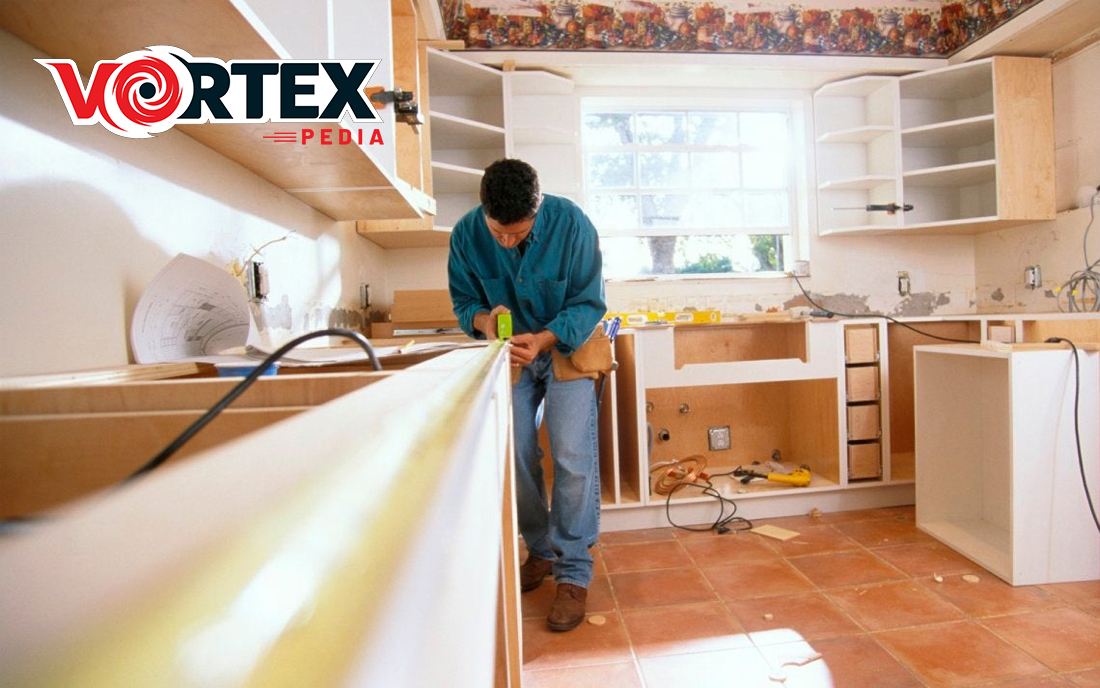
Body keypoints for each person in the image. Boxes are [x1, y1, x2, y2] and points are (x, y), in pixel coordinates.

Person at [448, 158, 606, 632]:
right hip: (508, 353)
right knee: (516, 453)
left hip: (565, 344)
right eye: (500, 233)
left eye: (518, 234)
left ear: (537, 211)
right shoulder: (465, 235)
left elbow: (588, 302)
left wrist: (544, 338)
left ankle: (574, 571)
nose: (508, 242)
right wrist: (483, 319)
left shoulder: (572, 223)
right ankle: (539, 551)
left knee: (572, 452)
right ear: (485, 212)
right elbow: (463, 303)